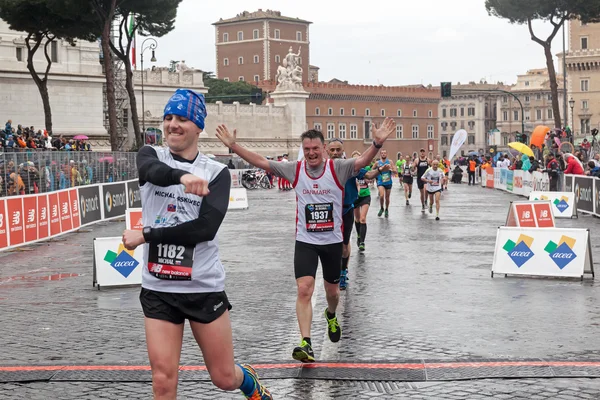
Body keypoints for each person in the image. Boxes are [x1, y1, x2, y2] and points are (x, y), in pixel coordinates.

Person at [121, 89, 272, 400]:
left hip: (201, 287)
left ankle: (249, 382)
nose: (173, 125)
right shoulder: (150, 154)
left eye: (182, 119)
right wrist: (182, 177)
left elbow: (204, 229)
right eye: (168, 118)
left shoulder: (216, 172)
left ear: (198, 126)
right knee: (163, 380)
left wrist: (147, 235)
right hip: (158, 288)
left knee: (224, 377)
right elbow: (152, 172)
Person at [215, 118, 397, 363]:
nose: (311, 153)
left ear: (323, 149)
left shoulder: (338, 168)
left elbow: (363, 161)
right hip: (305, 241)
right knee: (304, 289)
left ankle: (331, 315)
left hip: (332, 241)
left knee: (332, 292)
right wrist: (234, 146)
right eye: (307, 149)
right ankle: (306, 343)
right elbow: (261, 161)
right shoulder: (295, 169)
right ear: (304, 150)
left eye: (315, 149)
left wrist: (376, 143)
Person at [327, 140, 383, 290]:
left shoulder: (351, 166)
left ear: (343, 150)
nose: (335, 153)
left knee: (344, 244)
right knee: (331, 245)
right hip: (329, 211)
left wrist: (380, 170)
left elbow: (369, 175)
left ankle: (343, 271)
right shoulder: (323, 168)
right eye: (332, 150)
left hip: (346, 210)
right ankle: (333, 270)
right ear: (327, 151)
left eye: (338, 149)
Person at [375, 149, 394, 217]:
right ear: (380, 154)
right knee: (381, 195)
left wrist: (391, 169)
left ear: (386, 154)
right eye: (382, 153)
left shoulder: (390, 162)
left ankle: (386, 209)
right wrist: (378, 170)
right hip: (380, 182)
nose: (383, 154)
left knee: (387, 197)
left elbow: (395, 171)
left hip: (388, 181)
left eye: (384, 153)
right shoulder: (377, 163)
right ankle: (381, 208)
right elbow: (372, 170)